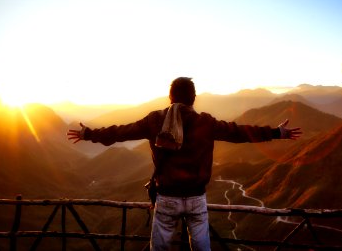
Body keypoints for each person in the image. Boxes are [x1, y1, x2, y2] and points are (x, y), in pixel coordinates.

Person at [67, 77, 302, 251]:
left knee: (159, 249)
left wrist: (88, 134)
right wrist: (276, 132)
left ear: (170, 98)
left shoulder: (155, 120)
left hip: (167, 198)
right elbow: (239, 132)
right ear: (193, 98)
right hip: (196, 198)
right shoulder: (205, 123)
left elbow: (121, 132)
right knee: (201, 248)